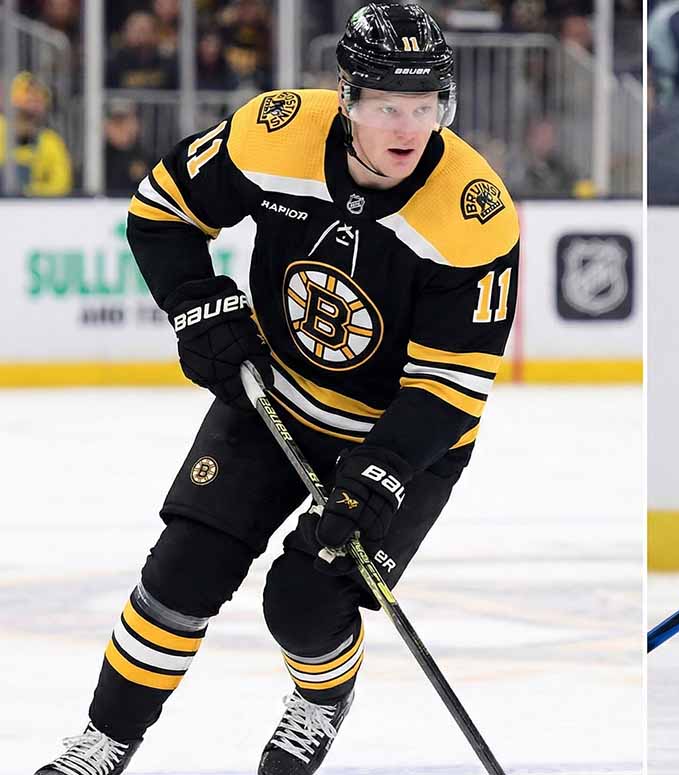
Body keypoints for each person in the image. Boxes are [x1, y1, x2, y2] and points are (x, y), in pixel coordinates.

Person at [34, 4, 519, 775]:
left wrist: (381, 473)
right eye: (387, 106)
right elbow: (161, 210)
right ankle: (104, 739)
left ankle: (321, 700)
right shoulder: (275, 132)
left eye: (425, 106)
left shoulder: (473, 213)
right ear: (348, 98)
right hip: (274, 395)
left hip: (402, 434)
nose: (407, 129)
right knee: (181, 572)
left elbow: (450, 383)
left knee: (303, 598)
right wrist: (196, 303)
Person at [0, 71, 73, 197]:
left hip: (34, 207)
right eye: (28, 96)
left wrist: (29, 192)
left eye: (38, 98)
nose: (34, 102)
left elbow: (61, 186)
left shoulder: (51, 142)